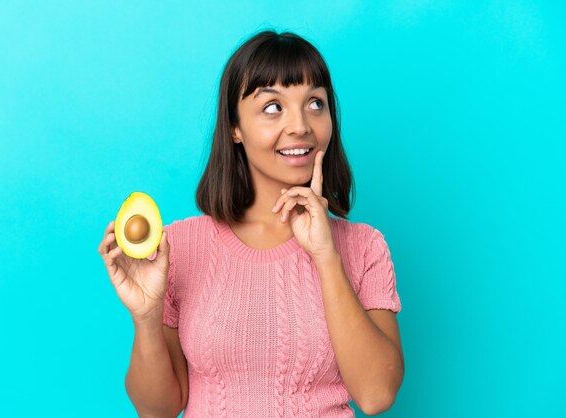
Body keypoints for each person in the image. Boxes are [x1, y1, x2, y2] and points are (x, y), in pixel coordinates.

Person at [98, 30, 404, 417]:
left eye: (315, 103)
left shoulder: (364, 247)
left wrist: (327, 258)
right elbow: (157, 410)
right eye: (273, 107)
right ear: (234, 127)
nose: (300, 126)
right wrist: (146, 318)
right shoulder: (179, 246)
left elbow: (377, 395)